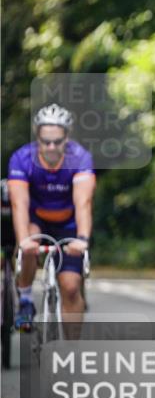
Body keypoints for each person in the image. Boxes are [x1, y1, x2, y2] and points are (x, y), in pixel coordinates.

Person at [7, 104, 95, 337]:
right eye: (46, 141)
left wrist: (83, 239)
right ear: (38, 137)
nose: (51, 147)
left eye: (57, 141)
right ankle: (25, 299)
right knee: (27, 246)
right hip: (37, 219)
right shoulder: (21, 159)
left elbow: (83, 203)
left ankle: (72, 353)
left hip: (68, 223)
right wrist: (24, 240)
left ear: (67, 138)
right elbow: (19, 204)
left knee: (70, 286)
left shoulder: (80, 158)